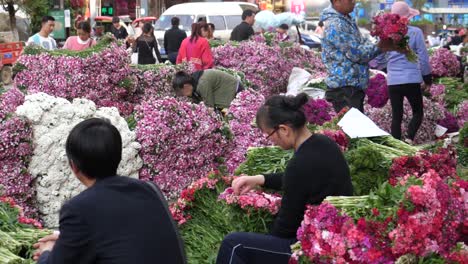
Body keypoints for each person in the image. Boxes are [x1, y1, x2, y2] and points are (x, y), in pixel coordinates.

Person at [216, 93, 353, 264]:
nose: (271, 141)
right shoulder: (324, 143)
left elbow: (284, 228)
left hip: (314, 248)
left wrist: (263, 247)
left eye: (269, 134)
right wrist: (259, 179)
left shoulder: (300, 164)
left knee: (233, 244)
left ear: (284, 130)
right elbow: (301, 179)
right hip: (340, 233)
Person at [33, 118, 187, 264]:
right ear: (118, 157)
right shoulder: (149, 190)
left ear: (74, 166)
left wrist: (47, 252)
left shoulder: (78, 209)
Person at [321, 0, 397, 113]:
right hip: (344, 88)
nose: (354, 2)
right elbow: (357, 54)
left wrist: (379, 42)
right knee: (350, 129)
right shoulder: (336, 24)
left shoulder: (346, 20)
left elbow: (362, 43)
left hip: (351, 87)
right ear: (336, 2)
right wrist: (380, 46)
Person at [172, 69, 243, 109]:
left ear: (186, 86)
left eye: (182, 92)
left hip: (234, 88)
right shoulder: (193, 81)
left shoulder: (202, 83)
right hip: (223, 88)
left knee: (223, 112)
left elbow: (210, 106)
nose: (183, 95)